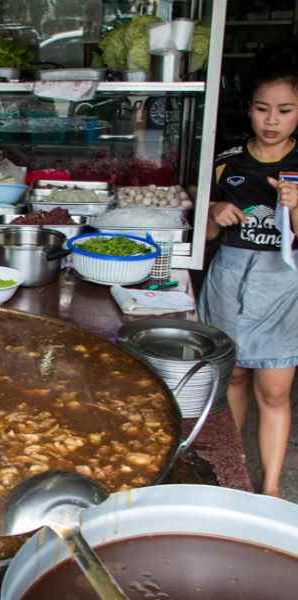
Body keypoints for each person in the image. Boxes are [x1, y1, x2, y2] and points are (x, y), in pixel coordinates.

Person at [198, 59, 298, 497]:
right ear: (250, 111)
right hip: (231, 277)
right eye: (262, 109)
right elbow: (205, 232)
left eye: (285, 110)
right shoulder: (225, 163)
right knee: (234, 376)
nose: (271, 120)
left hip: (282, 284)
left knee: (274, 389)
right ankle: (235, 476)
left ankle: (271, 488)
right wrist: (212, 214)